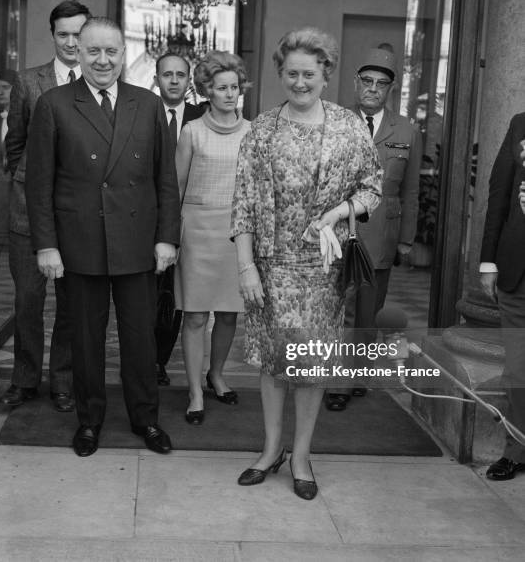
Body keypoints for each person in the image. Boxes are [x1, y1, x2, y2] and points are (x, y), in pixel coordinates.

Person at [231, 27, 382, 499]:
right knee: (275, 362)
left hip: (323, 268)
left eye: (309, 74)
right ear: (280, 74)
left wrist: (339, 213)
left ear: (325, 74)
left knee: (311, 364)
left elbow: (371, 187)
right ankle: (270, 448)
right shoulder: (261, 130)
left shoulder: (348, 127)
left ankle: (300, 456)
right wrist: (246, 267)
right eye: (292, 73)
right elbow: (243, 204)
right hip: (271, 265)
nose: (300, 82)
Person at [25, 17, 180, 457]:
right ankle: (89, 422)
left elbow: (164, 179)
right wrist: (47, 244)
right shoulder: (55, 104)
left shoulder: (147, 104)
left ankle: (146, 419)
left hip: (136, 242)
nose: (103, 60)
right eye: (93, 51)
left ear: (123, 53)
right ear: (77, 51)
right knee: (86, 341)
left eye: (111, 51)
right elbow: (39, 185)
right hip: (79, 244)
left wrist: (167, 237)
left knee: (140, 339)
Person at [0, 0, 91, 412]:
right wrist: (23, 181)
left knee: (71, 304)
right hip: (26, 213)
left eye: (78, 33)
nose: (71, 42)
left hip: (76, 214)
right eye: (63, 34)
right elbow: (14, 142)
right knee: (27, 301)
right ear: (52, 35)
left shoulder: (98, 81)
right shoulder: (28, 80)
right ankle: (24, 379)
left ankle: (63, 381)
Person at [326, 47, 422, 410]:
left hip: (380, 236)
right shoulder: (334, 121)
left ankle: (357, 375)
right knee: (338, 311)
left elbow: (411, 192)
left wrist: (407, 241)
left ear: (390, 89)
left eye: (381, 84)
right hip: (337, 234)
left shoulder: (406, 130)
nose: (373, 89)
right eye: (366, 81)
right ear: (355, 82)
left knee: (367, 313)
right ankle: (337, 382)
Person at [174, 51, 251, 425]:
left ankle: (217, 375)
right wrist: (169, 238)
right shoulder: (192, 132)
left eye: (234, 87)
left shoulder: (254, 132)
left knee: (228, 314)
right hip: (197, 233)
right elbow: (175, 187)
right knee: (194, 316)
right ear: (206, 90)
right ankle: (193, 391)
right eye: (221, 88)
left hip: (237, 234)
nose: (229, 94)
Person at [153, 52, 203, 386]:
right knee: (147, 295)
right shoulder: (141, 109)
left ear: (189, 81)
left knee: (177, 297)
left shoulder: (205, 116)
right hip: (146, 217)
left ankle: (160, 360)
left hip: (191, 221)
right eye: (167, 74)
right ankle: (144, 359)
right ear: (156, 79)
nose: (173, 80)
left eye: (180, 75)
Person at [480, 113, 525, 480]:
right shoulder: (520, 124)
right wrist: (488, 260)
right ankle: (516, 448)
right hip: (518, 271)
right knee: (517, 368)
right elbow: (499, 195)